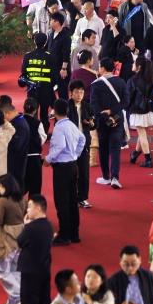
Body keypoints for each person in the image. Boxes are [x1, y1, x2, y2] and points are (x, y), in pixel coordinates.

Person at [15, 195, 54, 304]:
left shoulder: (31, 228)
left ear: (38, 208)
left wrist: (25, 226)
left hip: (30, 271)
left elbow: (20, 242)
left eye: (30, 206)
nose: (27, 210)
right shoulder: (49, 226)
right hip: (44, 269)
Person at [47, 99, 87, 245]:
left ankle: (64, 234)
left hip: (62, 167)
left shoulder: (59, 127)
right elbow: (82, 139)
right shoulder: (71, 125)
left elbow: (59, 146)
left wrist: (48, 159)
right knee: (72, 199)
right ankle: (74, 233)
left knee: (62, 201)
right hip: (72, 165)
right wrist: (75, 154)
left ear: (55, 111)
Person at [91, 58, 128, 189]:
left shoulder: (96, 84)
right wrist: (112, 111)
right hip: (117, 118)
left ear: (102, 68)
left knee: (103, 149)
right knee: (115, 149)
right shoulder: (121, 82)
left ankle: (106, 176)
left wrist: (104, 114)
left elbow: (94, 104)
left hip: (102, 121)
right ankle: (115, 178)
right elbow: (125, 101)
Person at [0, 174, 26, 304]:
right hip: (20, 235)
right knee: (15, 269)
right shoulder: (21, 199)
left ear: (6, 187)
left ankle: (17, 296)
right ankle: (14, 301)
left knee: (2, 270)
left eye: (0, 186)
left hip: (6, 237)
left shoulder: (2, 201)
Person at [68, 80, 97, 208]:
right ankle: (71, 197)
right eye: (76, 92)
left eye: (81, 92)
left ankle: (82, 198)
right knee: (71, 173)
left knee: (84, 173)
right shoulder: (66, 106)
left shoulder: (87, 106)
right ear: (71, 93)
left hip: (84, 143)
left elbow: (94, 124)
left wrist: (91, 123)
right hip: (70, 145)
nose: (79, 95)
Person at [127, 56, 153, 168]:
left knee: (141, 133)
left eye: (134, 63)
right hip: (149, 109)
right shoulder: (151, 78)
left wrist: (127, 107)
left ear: (139, 67)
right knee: (142, 132)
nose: (132, 65)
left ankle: (148, 159)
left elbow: (129, 97)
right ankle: (135, 154)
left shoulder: (132, 80)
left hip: (138, 110)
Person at [20, 32, 57, 130]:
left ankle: (33, 132)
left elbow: (24, 74)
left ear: (34, 42)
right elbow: (54, 75)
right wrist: (50, 85)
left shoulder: (28, 56)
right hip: (46, 89)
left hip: (32, 89)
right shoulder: (50, 56)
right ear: (46, 42)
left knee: (32, 112)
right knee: (44, 113)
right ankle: (44, 133)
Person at [22, 97, 46, 197]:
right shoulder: (37, 123)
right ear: (36, 110)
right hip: (34, 158)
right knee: (35, 188)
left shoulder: (18, 121)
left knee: (20, 186)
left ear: (24, 108)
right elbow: (42, 138)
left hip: (21, 157)